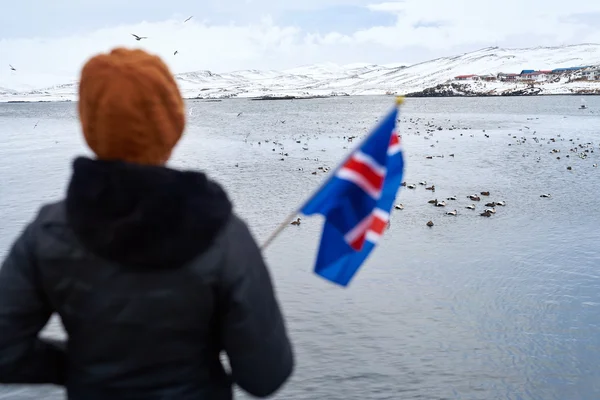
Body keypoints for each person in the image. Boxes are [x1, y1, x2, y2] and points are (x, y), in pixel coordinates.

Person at [0, 47, 294, 399]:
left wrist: (79, 366)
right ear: (173, 124)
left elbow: (5, 352)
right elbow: (265, 376)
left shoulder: (47, 232)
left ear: (90, 124)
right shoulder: (225, 234)